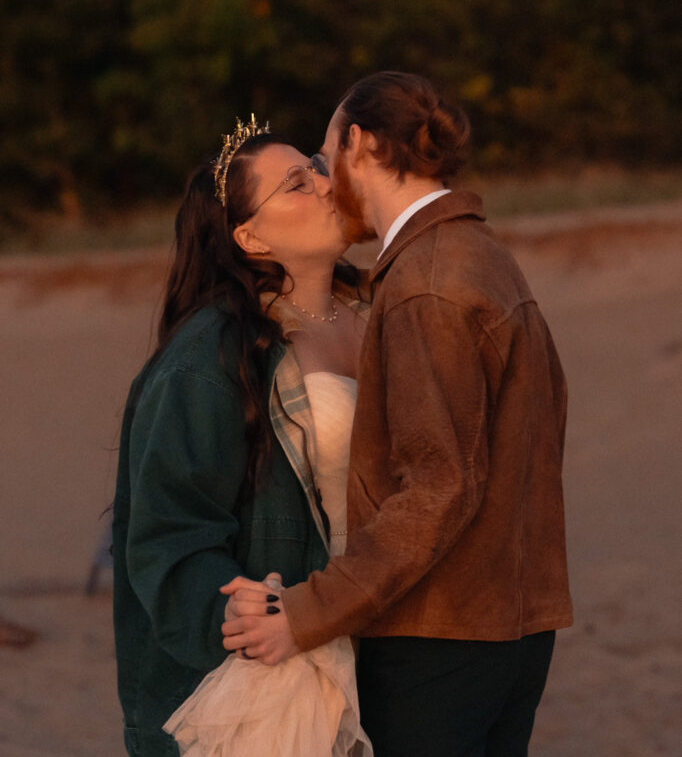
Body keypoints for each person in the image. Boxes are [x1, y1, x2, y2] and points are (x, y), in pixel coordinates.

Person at [222, 73, 574, 757]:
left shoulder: (426, 285)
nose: (324, 184)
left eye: (324, 161)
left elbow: (437, 488)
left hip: (440, 636)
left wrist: (306, 612)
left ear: (359, 143)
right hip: (516, 632)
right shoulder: (486, 259)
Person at [112, 120, 373, 757]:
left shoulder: (383, 308)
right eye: (295, 184)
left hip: (382, 629)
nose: (322, 181)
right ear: (250, 237)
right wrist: (229, 610)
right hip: (279, 660)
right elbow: (169, 530)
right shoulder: (210, 358)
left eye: (314, 164)